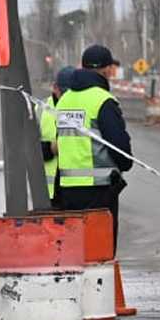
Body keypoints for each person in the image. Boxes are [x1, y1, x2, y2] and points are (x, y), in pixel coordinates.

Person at [51, 43, 133, 232]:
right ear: (107, 70)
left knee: (75, 251)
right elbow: (120, 148)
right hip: (99, 191)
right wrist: (125, 164)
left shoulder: (65, 100)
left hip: (68, 190)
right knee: (99, 251)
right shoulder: (103, 100)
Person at [38, 65, 75, 202]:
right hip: (47, 193)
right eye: (65, 93)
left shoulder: (82, 108)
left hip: (75, 190)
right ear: (55, 88)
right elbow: (25, 149)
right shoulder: (39, 110)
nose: (68, 98)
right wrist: (50, 149)